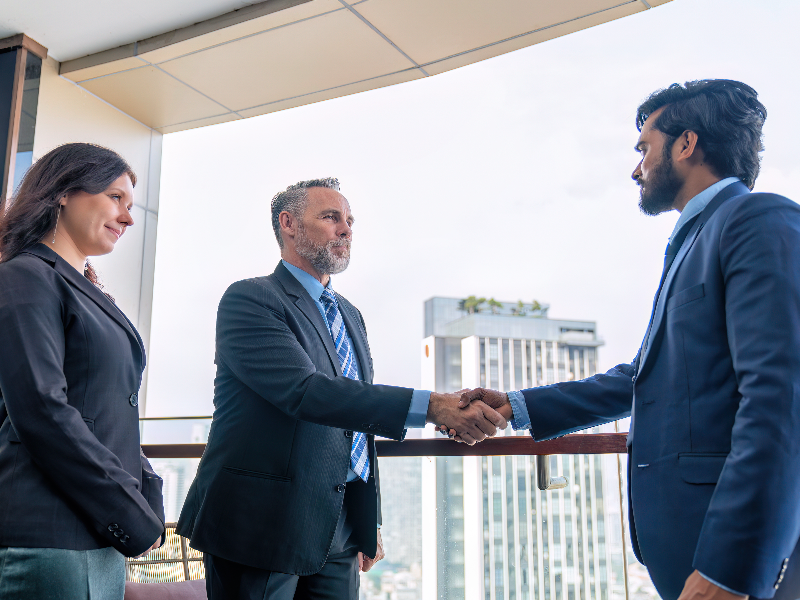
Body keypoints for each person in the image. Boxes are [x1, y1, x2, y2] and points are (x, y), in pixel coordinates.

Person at [455, 80, 800, 600]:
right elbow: (644, 376)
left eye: (644, 149)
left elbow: (784, 401)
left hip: (732, 565)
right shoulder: (696, 239)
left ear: (686, 145)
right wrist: (516, 406)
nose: (635, 168)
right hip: (688, 553)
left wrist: (731, 569)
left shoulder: (758, 220)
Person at [176, 178, 506, 600]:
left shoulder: (350, 314)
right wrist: (433, 406)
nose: (346, 229)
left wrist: (371, 521)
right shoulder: (251, 299)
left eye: (350, 220)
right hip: (260, 523)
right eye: (331, 217)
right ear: (289, 223)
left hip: (340, 526)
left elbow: (357, 421)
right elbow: (306, 392)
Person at [0, 143, 165, 599]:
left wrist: (146, 490)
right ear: (63, 193)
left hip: (90, 530)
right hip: (52, 530)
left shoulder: (82, 288)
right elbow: (42, 408)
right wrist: (127, 509)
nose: (128, 218)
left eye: (131, 206)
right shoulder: (26, 276)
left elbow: (106, 409)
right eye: (116, 198)